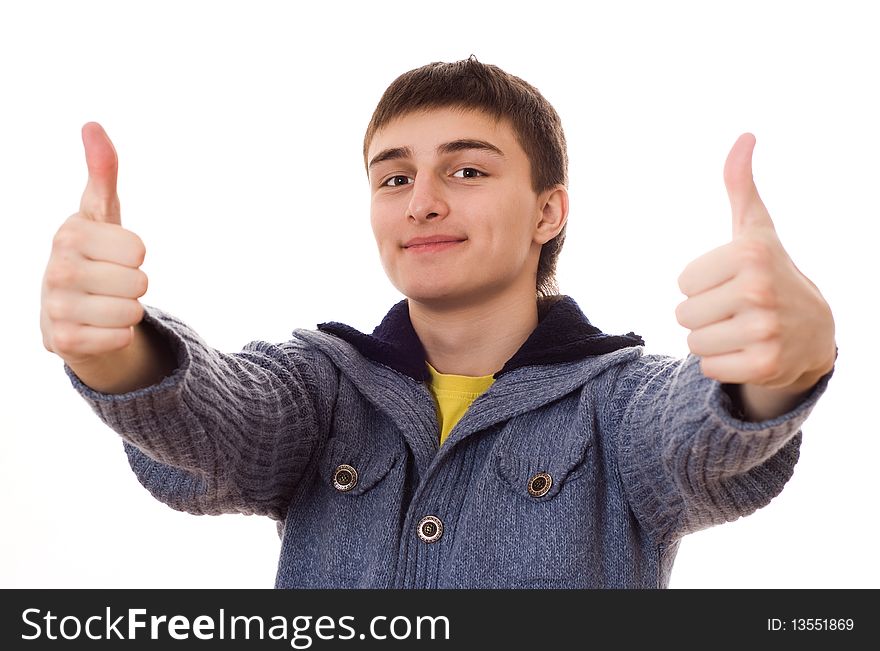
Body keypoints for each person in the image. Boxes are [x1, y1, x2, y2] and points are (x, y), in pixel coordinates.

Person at [41, 56, 837, 588]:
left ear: (547, 211)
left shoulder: (617, 403)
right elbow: (224, 416)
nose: (421, 199)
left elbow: (694, 431)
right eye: (394, 176)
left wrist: (781, 369)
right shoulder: (321, 383)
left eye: (466, 169)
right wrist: (118, 349)